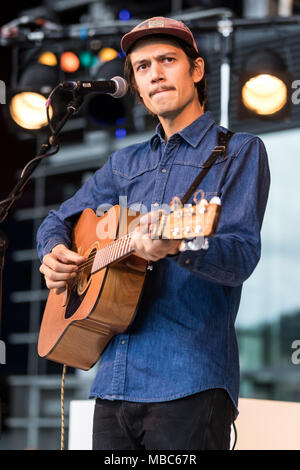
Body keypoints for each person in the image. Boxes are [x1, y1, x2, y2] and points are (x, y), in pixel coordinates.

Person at [36, 17, 270, 450]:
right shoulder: (123, 165)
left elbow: (241, 255)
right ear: (137, 85)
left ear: (196, 70)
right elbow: (57, 219)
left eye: (167, 60)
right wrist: (54, 252)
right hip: (111, 385)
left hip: (189, 380)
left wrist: (179, 244)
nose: (155, 74)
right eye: (142, 67)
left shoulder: (237, 152)